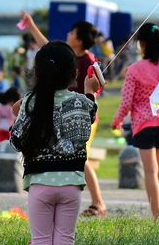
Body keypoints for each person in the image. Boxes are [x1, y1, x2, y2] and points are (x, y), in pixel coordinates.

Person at [9, 41, 97, 245]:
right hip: (71, 185)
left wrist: (21, 109)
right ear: (74, 74)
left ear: (36, 71)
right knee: (65, 244)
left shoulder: (31, 102)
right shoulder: (81, 102)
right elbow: (90, 116)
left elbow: (16, 139)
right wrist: (90, 91)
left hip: (40, 185)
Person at [17, 14, 109, 218]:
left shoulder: (88, 60)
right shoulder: (67, 55)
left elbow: (92, 91)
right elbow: (48, 48)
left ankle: (98, 201)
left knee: (80, 156)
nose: (68, 34)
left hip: (81, 116)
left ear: (80, 40)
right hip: (62, 113)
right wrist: (32, 26)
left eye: (72, 32)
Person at [112, 22, 159, 221]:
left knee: (150, 171)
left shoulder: (134, 69)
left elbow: (127, 101)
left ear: (142, 44)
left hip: (144, 123)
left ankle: (157, 216)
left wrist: (117, 120)